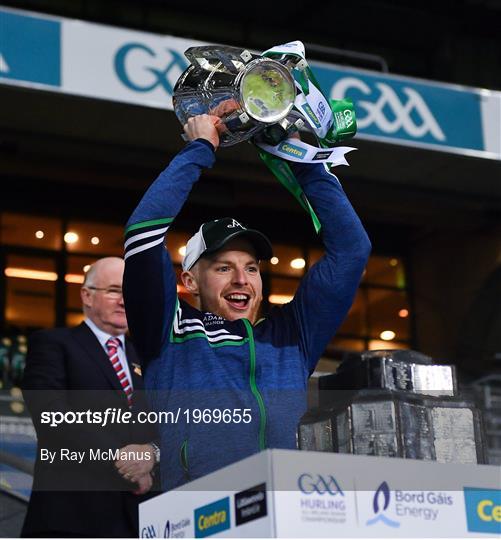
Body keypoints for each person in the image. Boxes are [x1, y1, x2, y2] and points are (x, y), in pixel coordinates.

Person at [123, 114, 371, 491]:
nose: (242, 279)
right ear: (189, 280)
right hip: (203, 518)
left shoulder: (293, 334)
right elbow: (143, 233)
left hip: (286, 514)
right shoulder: (168, 329)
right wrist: (199, 149)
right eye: (224, 267)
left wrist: (300, 159)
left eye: (251, 268)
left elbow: (352, 249)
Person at [22, 257, 159, 538]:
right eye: (113, 290)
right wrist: (124, 460)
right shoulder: (53, 344)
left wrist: (152, 455)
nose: (124, 301)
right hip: (71, 517)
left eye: (130, 293)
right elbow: (52, 415)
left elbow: (168, 423)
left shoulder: (148, 359)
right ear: (86, 295)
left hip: (139, 520)